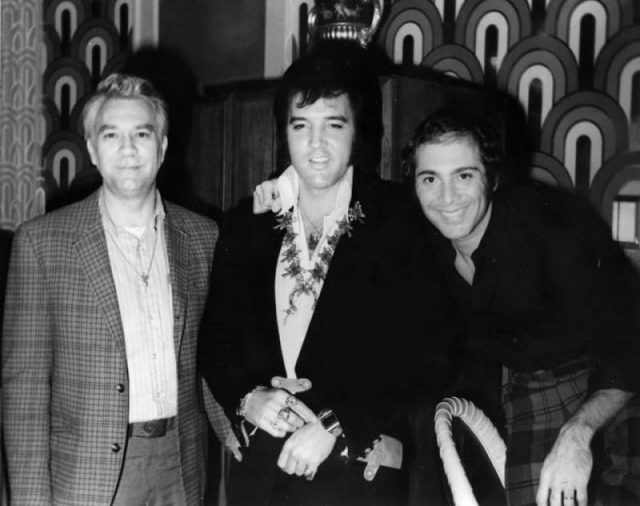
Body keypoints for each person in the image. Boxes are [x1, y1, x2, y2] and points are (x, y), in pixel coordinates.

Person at [198, 48, 457, 506]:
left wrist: (340, 424)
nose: (316, 145)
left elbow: (428, 353)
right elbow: (216, 338)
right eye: (301, 125)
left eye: (333, 125)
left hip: (357, 476)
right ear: (284, 133)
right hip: (261, 480)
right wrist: (246, 398)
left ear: (356, 132)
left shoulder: (399, 219)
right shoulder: (247, 221)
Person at [2, 73, 229, 505]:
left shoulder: (203, 237)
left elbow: (212, 357)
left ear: (162, 148)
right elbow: (24, 390)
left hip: (180, 464)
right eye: (111, 135)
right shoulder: (41, 243)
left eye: (142, 134)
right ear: (92, 148)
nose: (128, 150)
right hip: (85, 475)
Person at [401, 105, 640, 506]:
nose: (447, 198)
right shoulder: (423, 241)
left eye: (464, 175)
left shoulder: (552, 225)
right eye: (430, 178)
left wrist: (577, 434)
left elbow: (629, 332)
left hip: (619, 372)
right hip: (532, 384)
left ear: (491, 179)